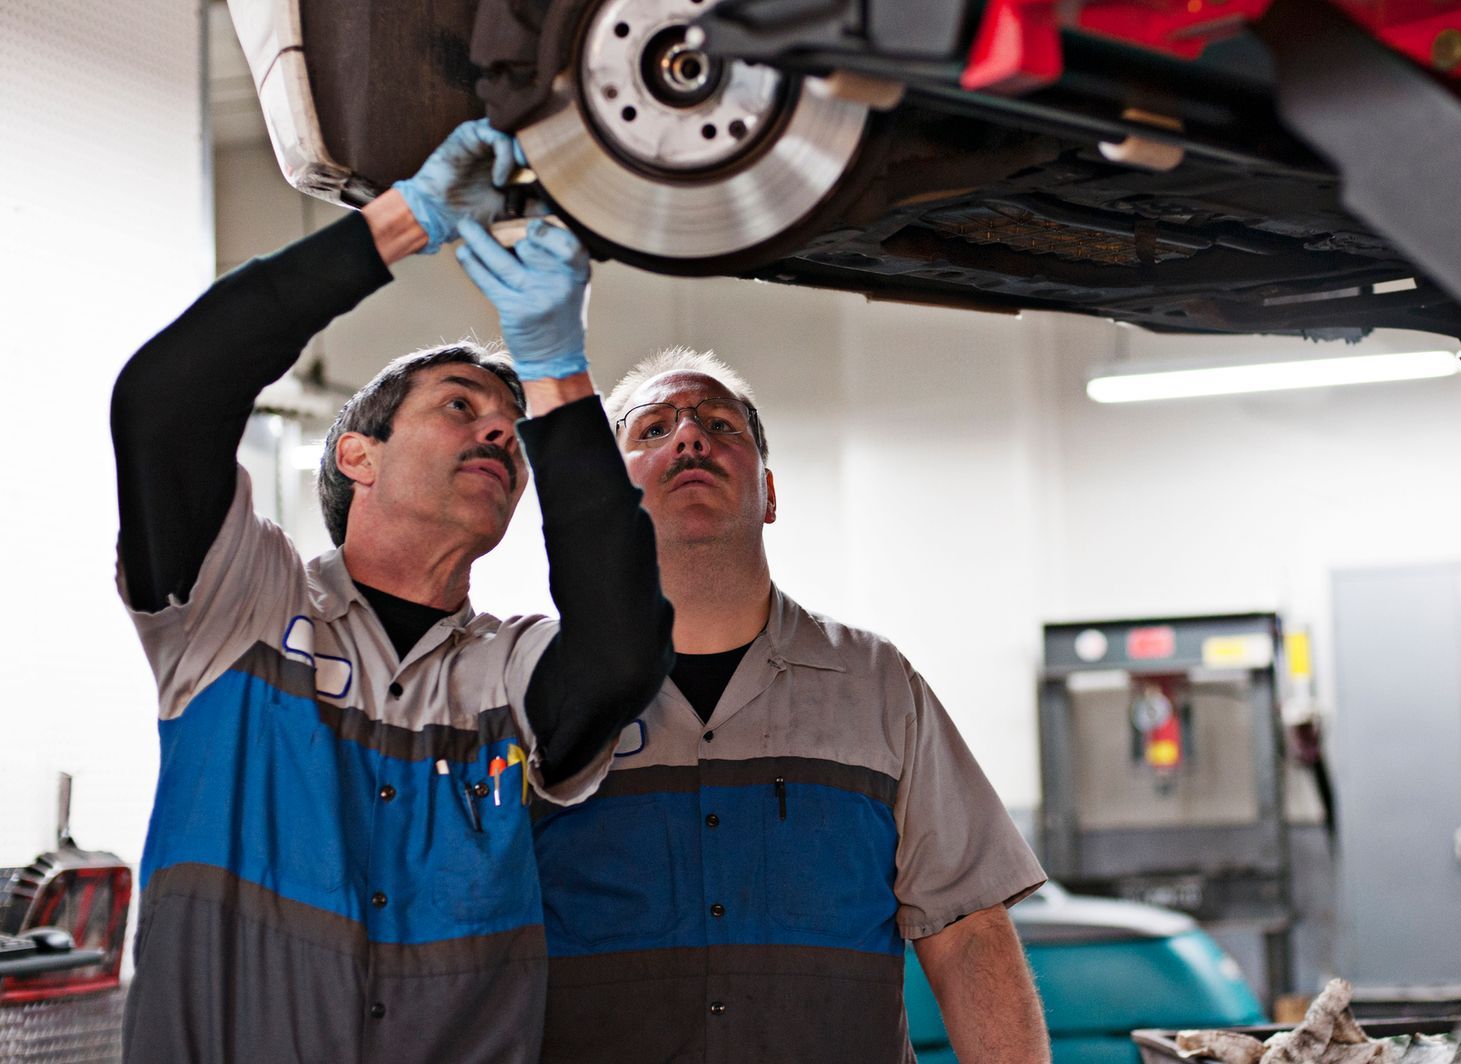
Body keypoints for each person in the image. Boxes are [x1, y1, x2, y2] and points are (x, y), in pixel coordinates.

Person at [111, 122, 674, 1062]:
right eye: (460, 405)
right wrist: (398, 223)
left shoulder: (507, 672)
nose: (501, 435)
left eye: (513, 428)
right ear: (356, 455)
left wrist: (557, 373)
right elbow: (165, 399)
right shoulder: (235, 609)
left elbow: (622, 649)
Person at [531, 347, 1050, 1063]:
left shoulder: (875, 683)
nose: (689, 437)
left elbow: (966, 930)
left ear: (770, 494)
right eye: (653, 430)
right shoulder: (537, 688)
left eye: (721, 425)